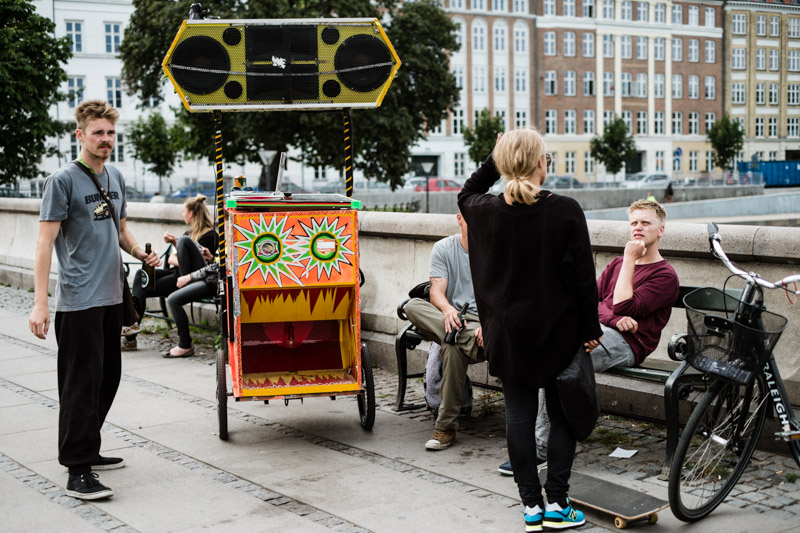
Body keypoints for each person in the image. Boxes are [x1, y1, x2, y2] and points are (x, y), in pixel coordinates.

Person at [458, 128, 602, 531]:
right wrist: (589, 328)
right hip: (557, 332)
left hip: (507, 334)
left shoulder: (481, 209)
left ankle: (531, 509)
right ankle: (557, 503)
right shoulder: (566, 210)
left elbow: (468, 189)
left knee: (518, 418)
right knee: (561, 417)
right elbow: (583, 279)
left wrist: (495, 156)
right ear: (541, 163)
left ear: (504, 164)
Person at [28, 100, 160, 500]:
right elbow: (44, 244)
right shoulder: (63, 181)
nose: (106, 140)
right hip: (79, 300)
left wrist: (139, 252)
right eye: (98, 133)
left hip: (111, 294)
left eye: (110, 133)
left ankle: (88, 445)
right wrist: (39, 303)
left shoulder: (115, 175)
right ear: (80, 135)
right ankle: (77, 469)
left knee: (107, 378)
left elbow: (120, 229)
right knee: (80, 385)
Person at [498, 199, 680, 477]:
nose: (638, 228)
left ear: (661, 230)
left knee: (559, 359)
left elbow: (622, 305)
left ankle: (542, 449)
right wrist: (612, 318)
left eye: (645, 223)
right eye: (634, 223)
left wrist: (630, 260)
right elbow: (588, 302)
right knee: (550, 353)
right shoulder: (616, 264)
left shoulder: (664, 275)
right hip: (602, 330)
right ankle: (550, 440)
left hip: (629, 344)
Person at [403, 212, 483, 450]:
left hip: (480, 322)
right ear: (460, 219)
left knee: (451, 345)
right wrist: (448, 310)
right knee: (412, 306)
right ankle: (462, 336)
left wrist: (491, 325)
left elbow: (504, 298)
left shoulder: (494, 250)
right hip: (448, 318)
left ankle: (445, 428)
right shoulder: (444, 248)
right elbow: (437, 290)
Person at [122, 194, 216, 350]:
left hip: (188, 279)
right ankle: (132, 324)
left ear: (191, 214)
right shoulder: (187, 234)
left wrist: (178, 248)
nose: (182, 215)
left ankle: (131, 338)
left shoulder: (210, 236)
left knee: (145, 287)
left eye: (184, 212)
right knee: (141, 275)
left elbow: (206, 266)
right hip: (175, 273)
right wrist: (180, 252)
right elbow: (172, 258)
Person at [163, 254, 219, 358]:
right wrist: (210, 257)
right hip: (209, 277)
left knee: (173, 300)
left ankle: (184, 345)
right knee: (141, 276)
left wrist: (189, 277)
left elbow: (219, 266)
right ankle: (132, 327)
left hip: (215, 280)